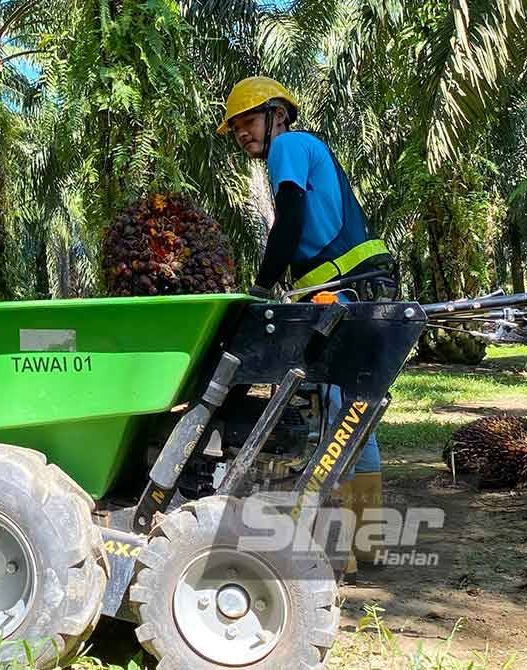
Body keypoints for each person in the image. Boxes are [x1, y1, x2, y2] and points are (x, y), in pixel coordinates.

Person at [218, 76, 396, 583]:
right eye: (235, 130)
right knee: (354, 415)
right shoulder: (305, 147)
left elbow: (290, 217)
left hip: (339, 293)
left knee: (332, 416)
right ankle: (371, 542)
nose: (243, 136)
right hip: (353, 288)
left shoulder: (289, 146)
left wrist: (262, 283)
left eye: (248, 122)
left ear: (277, 114)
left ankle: (335, 551)